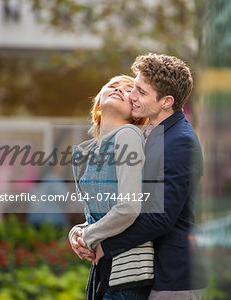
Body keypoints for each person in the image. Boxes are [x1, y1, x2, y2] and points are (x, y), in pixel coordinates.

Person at [77, 53, 205, 299]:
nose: (132, 96)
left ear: (166, 101)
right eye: (134, 87)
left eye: (141, 92)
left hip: (174, 277)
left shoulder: (181, 142)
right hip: (148, 271)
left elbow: (161, 218)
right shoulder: (151, 134)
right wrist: (82, 231)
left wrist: (105, 245)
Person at [68, 75, 153, 300]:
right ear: (98, 103)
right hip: (106, 270)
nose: (119, 90)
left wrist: (88, 235)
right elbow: (98, 215)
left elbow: (129, 207)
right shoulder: (90, 151)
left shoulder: (128, 135)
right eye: (113, 86)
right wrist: (76, 234)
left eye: (128, 90)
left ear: (136, 112)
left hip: (127, 271)